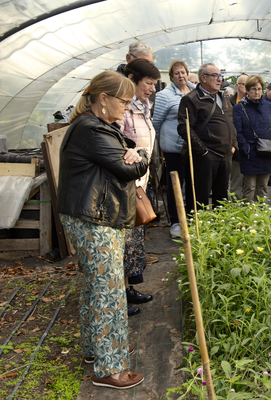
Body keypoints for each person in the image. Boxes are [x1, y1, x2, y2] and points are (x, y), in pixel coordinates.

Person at [57, 71, 148, 389]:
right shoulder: (91, 130)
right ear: (103, 99)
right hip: (95, 222)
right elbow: (128, 168)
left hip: (91, 217)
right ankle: (110, 368)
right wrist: (143, 156)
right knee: (109, 293)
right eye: (123, 100)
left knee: (95, 288)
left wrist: (133, 152)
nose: (126, 106)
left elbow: (122, 157)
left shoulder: (94, 127)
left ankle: (99, 348)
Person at [118, 58, 161, 316]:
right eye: (148, 83)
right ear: (131, 79)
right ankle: (120, 294)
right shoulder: (122, 108)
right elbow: (118, 143)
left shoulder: (144, 105)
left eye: (154, 84)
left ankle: (128, 288)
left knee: (134, 239)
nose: (152, 88)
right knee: (125, 240)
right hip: (126, 183)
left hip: (140, 181)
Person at [177, 63, 237, 211]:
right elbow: (184, 128)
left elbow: (231, 122)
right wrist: (203, 152)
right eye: (215, 76)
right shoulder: (191, 99)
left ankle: (220, 231)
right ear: (203, 78)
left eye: (220, 76)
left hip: (225, 155)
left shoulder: (223, 97)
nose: (219, 80)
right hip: (205, 157)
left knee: (222, 198)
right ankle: (198, 231)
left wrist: (233, 145)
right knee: (200, 199)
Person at [153, 61, 196, 239]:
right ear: (171, 77)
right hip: (174, 148)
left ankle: (192, 219)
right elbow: (156, 122)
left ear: (188, 74)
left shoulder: (196, 92)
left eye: (183, 72)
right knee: (175, 185)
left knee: (193, 185)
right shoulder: (164, 96)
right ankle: (176, 222)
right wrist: (159, 145)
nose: (181, 76)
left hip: (194, 147)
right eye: (177, 73)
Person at [232, 75, 271, 202]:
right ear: (247, 90)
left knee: (263, 187)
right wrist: (246, 148)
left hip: (267, 152)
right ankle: (247, 219)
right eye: (253, 89)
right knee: (249, 187)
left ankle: (260, 217)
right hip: (250, 154)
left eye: (259, 89)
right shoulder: (240, 107)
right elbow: (238, 131)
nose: (257, 92)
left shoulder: (268, 105)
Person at [228, 74, 248, 200]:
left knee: (250, 183)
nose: (246, 87)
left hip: (251, 147)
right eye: (243, 84)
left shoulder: (256, 103)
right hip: (236, 148)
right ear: (237, 86)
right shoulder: (228, 103)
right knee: (236, 179)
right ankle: (235, 207)